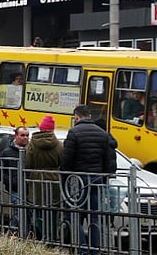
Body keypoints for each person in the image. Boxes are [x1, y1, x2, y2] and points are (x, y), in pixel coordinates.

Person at [61, 105, 117, 255]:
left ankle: (83, 249)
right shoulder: (103, 134)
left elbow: (67, 160)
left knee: (75, 215)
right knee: (94, 217)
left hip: (78, 181)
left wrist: (65, 177)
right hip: (96, 180)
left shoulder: (73, 133)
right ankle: (94, 250)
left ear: (76, 117)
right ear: (90, 115)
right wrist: (103, 177)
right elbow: (107, 161)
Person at [25, 115, 63, 241]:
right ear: (52, 129)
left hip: (37, 181)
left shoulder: (32, 144)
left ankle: (42, 236)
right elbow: (62, 162)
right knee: (52, 212)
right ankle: (51, 237)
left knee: (37, 210)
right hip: (54, 181)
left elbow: (28, 163)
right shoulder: (59, 145)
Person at [0, 126, 30, 231]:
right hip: (15, 188)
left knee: (28, 212)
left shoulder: (30, 152)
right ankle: (14, 233)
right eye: (22, 135)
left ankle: (26, 234)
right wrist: (11, 182)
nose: (25, 138)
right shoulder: (6, 152)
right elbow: (0, 170)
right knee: (18, 211)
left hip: (29, 188)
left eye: (27, 135)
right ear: (15, 136)